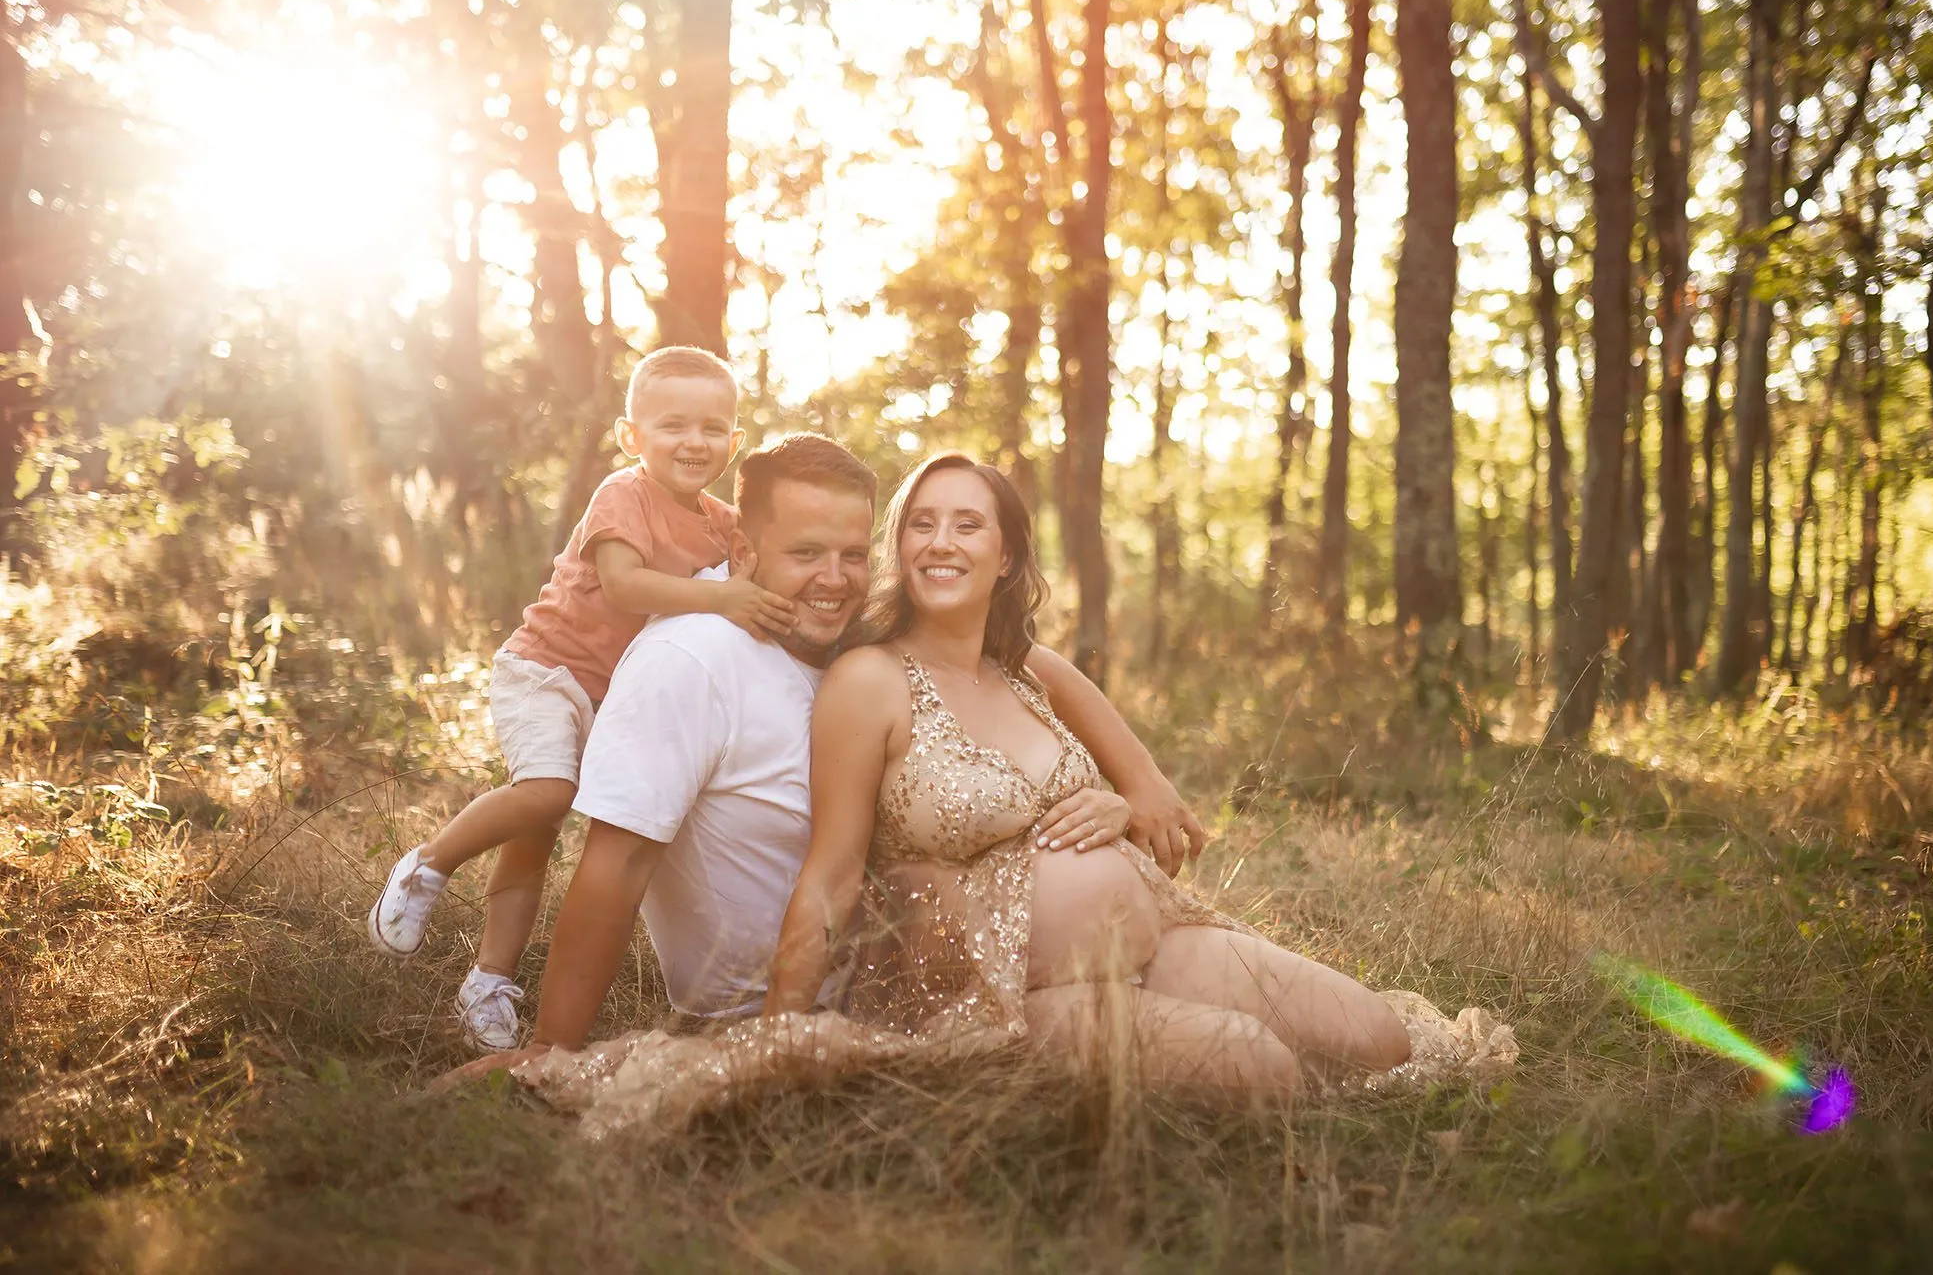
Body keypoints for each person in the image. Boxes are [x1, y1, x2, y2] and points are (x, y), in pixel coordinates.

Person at [463, 447, 1514, 1137]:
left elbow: (1143, 787)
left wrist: (1123, 798)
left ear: (1005, 551)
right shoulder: (850, 674)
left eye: (966, 525)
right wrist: (771, 1038)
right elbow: (819, 876)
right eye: (919, 524)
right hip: (990, 993)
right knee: (1264, 1071)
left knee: (1376, 1037)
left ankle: (1191, 1024)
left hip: (1155, 931)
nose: (937, 542)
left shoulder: (1019, 667)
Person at [367, 346, 793, 1051]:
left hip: (612, 696)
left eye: (714, 428)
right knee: (547, 793)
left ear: (736, 440)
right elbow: (625, 585)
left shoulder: (721, 521)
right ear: (632, 437)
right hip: (548, 672)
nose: (695, 441)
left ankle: (488, 982)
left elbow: (758, 568)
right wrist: (724, 597)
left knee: (535, 843)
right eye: (673, 425)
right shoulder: (622, 494)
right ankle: (428, 864)